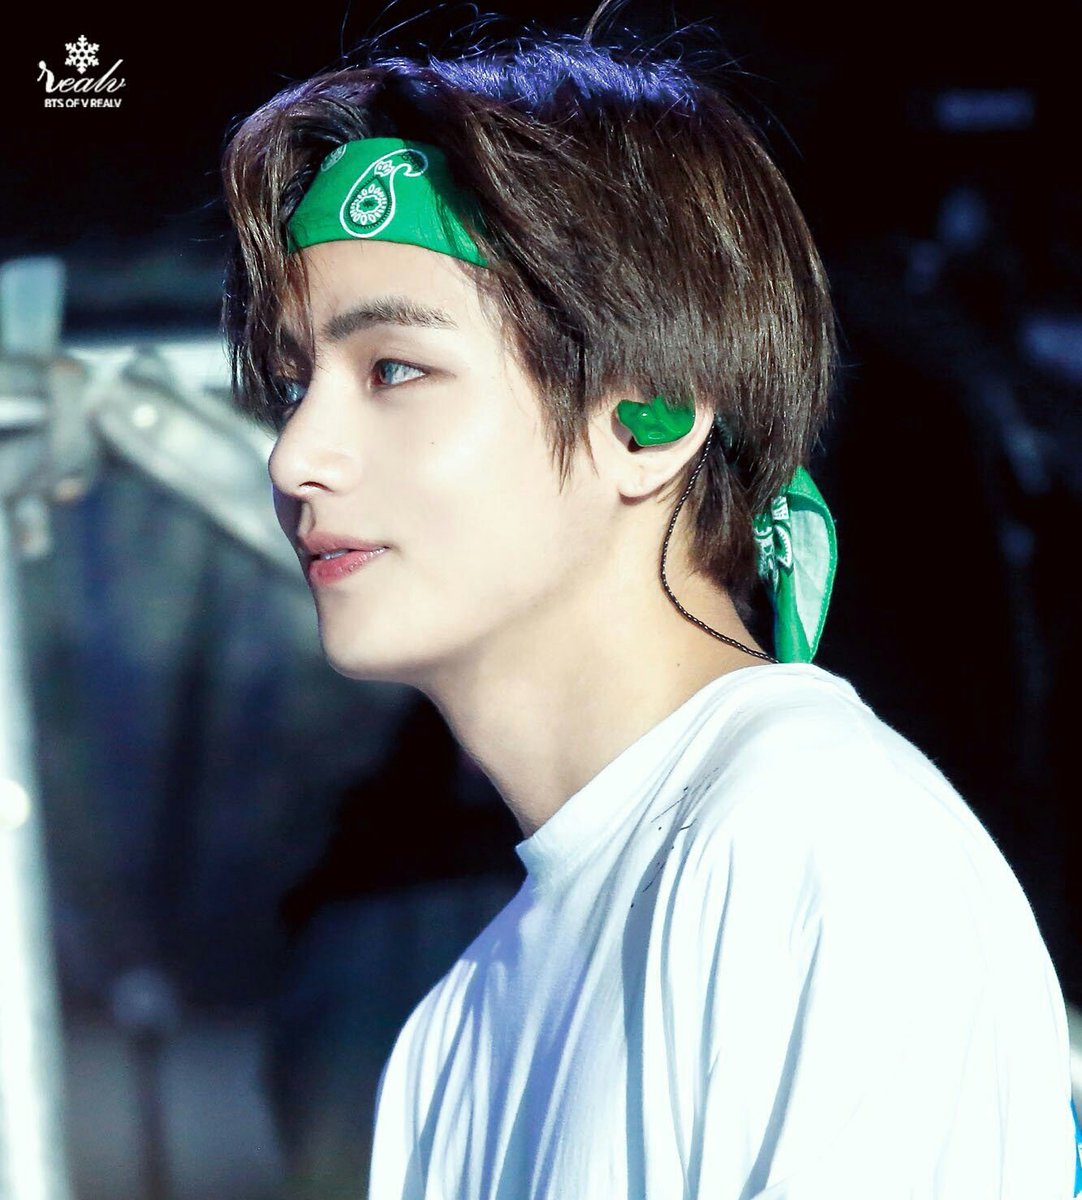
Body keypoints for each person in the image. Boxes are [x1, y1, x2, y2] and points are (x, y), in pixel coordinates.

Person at [220, 18, 1078, 1199]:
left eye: (395, 370)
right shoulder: (448, 1035)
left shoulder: (817, 846)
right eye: (291, 385)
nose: (296, 456)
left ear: (651, 415)